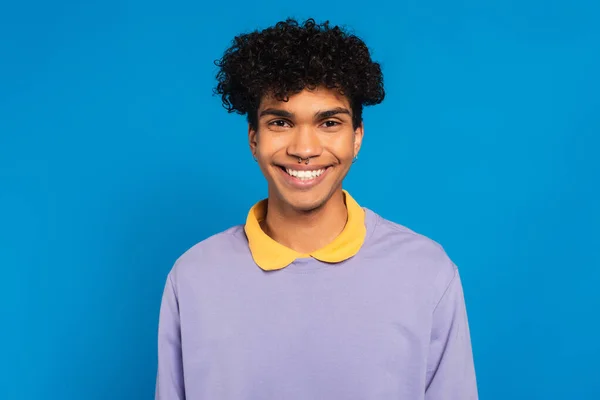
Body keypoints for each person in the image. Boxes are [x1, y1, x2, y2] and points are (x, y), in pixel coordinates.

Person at [155, 18, 478, 400]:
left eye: (329, 122)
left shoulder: (427, 273)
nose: (304, 148)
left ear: (356, 137)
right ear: (253, 139)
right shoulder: (193, 278)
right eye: (280, 122)